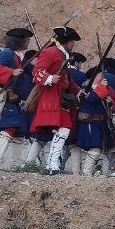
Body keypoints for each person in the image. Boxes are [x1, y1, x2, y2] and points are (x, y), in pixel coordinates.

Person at [28, 26, 81, 173]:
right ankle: (51, 165)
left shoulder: (63, 56)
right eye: (73, 41)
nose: (74, 45)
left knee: (62, 131)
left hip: (61, 99)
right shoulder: (50, 52)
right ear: (69, 42)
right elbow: (36, 72)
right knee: (63, 130)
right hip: (51, 98)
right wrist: (50, 77)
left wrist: (79, 91)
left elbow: (68, 81)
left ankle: (51, 165)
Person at [0, 28, 35, 169]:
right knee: (10, 127)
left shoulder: (18, 56)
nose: (28, 42)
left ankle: (15, 166)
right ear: (20, 41)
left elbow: (32, 72)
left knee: (19, 131)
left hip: (14, 98)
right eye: (27, 40)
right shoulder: (7, 54)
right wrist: (12, 71)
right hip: (6, 97)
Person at [73, 66, 115, 176]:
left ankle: (105, 174)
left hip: (102, 123)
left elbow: (112, 106)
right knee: (95, 148)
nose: (104, 76)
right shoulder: (86, 89)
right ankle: (86, 174)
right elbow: (91, 99)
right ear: (95, 76)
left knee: (108, 150)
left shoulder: (104, 89)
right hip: (91, 122)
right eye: (101, 74)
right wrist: (102, 88)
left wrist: (110, 102)